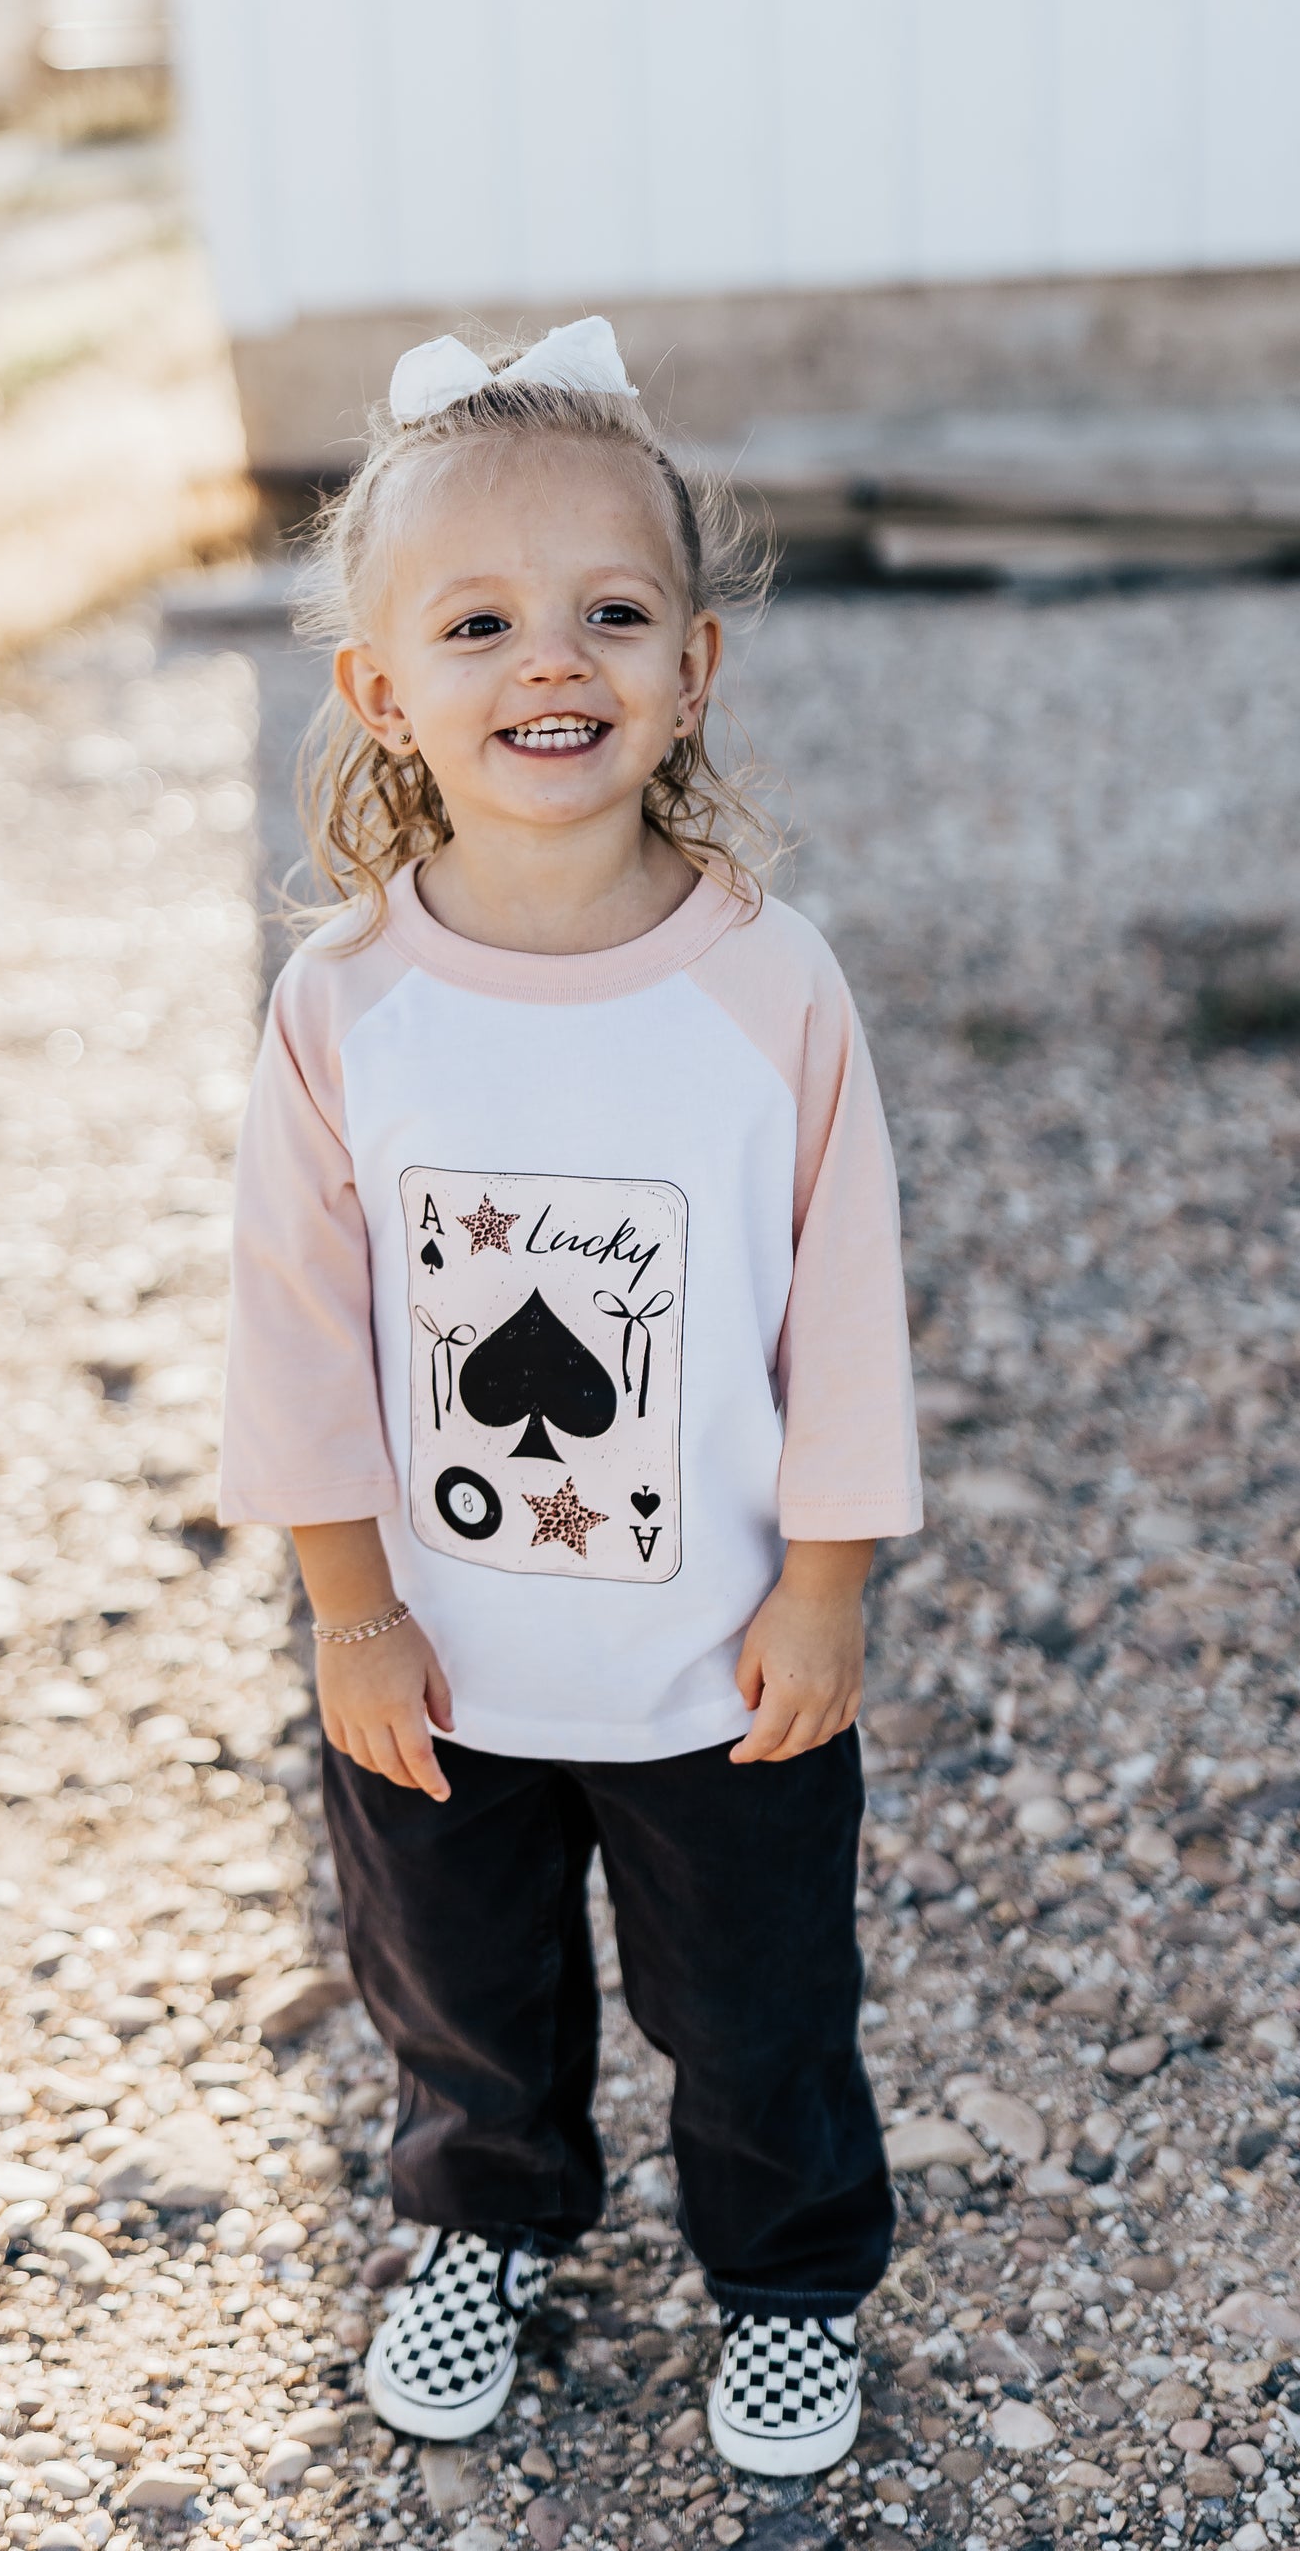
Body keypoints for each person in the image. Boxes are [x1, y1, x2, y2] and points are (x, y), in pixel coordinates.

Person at [218, 317, 921, 2478]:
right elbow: (296, 1335)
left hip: (713, 1664)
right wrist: (349, 1610)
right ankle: (485, 2224)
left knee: (760, 2005)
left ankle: (786, 2277)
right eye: (479, 623)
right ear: (381, 693)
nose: (552, 658)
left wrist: (823, 1590)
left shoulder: (764, 985)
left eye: (610, 612)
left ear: (691, 667)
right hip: (442, 1662)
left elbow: (846, 1319)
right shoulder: (346, 1004)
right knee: (457, 1996)